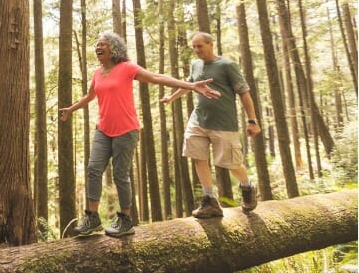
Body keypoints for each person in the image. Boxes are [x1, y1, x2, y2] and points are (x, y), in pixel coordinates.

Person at [59, 31, 220, 237]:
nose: (98, 48)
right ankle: (92, 217)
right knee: (93, 169)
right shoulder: (97, 73)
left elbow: (156, 77)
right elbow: (90, 96)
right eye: (97, 45)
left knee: (120, 174)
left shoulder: (127, 68)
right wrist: (71, 109)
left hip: (126, 130)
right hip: (103, 129)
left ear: (114, 48)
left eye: (103, 44)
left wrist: (190, 86)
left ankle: (125, 219)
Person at [161, 32, 260, 218]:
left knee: (232, 163)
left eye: (200, 46)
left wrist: (252, 120)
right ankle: (210, 200)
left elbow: (244, 93)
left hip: (223, 123)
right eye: (194, 47)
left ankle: (247, 187)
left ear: (211, 44)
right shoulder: (196, 65)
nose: (197, 50)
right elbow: (190, 84)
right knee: (198, 157)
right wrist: (172, 97)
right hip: (198, 120)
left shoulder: (227, 65)